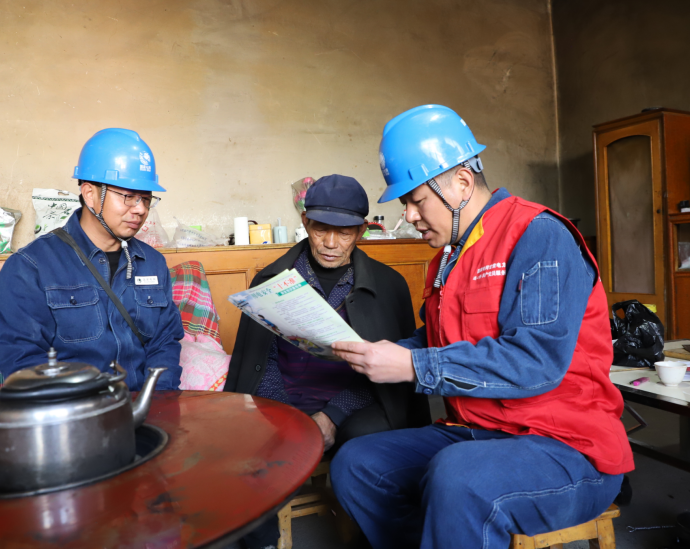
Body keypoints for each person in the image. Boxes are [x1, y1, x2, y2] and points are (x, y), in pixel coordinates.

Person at [330, 105, 634, 549]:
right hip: (477, 430)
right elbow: (437, 340)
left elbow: (536, 362)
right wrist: (379, 354)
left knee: (459, 478)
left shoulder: (539, 235)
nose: (409, 216)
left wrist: (413, 366)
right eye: (405, 204)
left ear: (462, 182)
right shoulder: (448, 259)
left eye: (417, 200)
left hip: (565, 445)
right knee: (356, 463)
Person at [224, 174, 430, 549]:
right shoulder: (271, 280)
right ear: (306, 223)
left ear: (362, 231)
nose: (331, 243)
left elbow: (387, 370)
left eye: (345, 232)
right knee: (250, 455)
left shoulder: (388, 286)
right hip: (286, 401)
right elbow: (262, 364)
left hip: (358, 402)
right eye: (321, 229)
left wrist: (332, 416)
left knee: (372, 446)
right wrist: (290, 417)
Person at [0, 128, 184, 391]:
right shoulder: (30, 267)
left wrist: (159, 403)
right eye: (129, 197)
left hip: (144, 407)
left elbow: (164, 344)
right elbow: (23, 361)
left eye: (146, 199)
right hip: (72, 411)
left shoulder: (153, 263)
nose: (140, 209)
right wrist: (86, 411)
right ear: (90, 194)